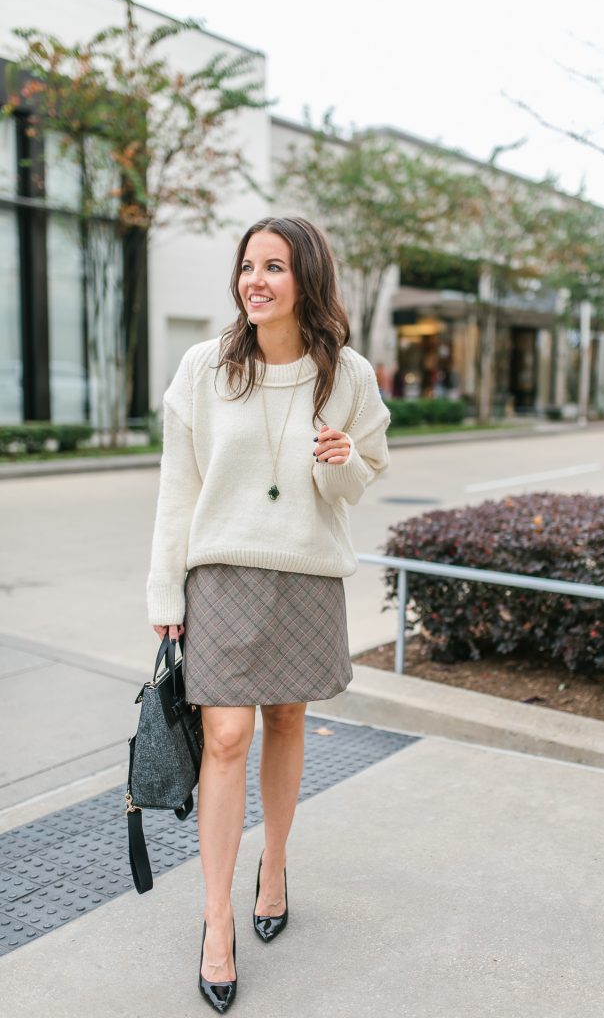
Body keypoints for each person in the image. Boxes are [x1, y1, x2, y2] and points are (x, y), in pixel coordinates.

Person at [146, 215, 391, 1013]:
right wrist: (163, 590)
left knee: (287, 719)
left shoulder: (346, 375)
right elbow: (177, 486)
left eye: (274, 266)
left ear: (306, 280)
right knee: (225, 737)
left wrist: (342, 461)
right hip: (220, 573)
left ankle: (274, 862)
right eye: (247, 265)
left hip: (307, 573)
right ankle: (217, 920)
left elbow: (363, 478)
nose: (255, 279)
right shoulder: (205, 368)